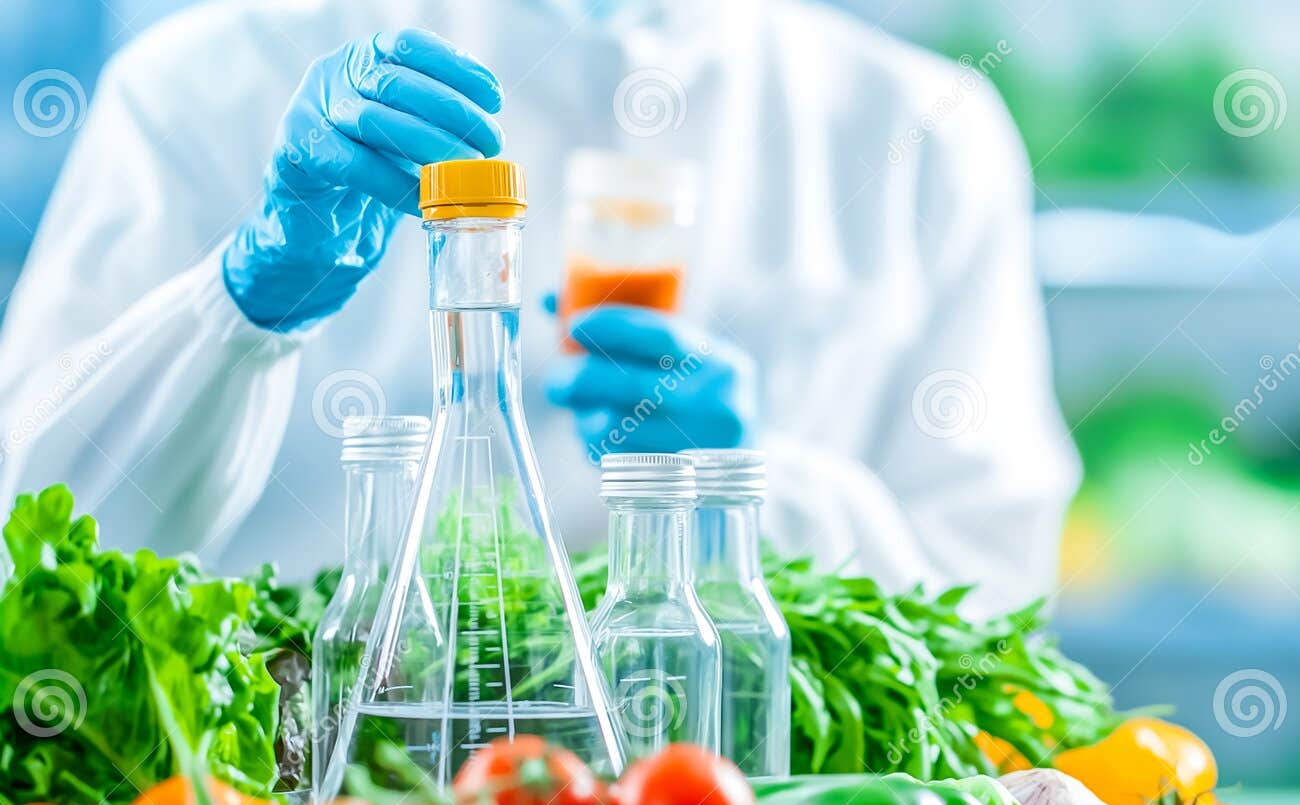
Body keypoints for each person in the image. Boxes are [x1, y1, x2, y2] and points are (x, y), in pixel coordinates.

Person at [0, 0, 1077, 613]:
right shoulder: (202, 86)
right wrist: (240, 305)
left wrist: (760, 500)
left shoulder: (924, 133)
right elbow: (30, 547)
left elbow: (995, 608)